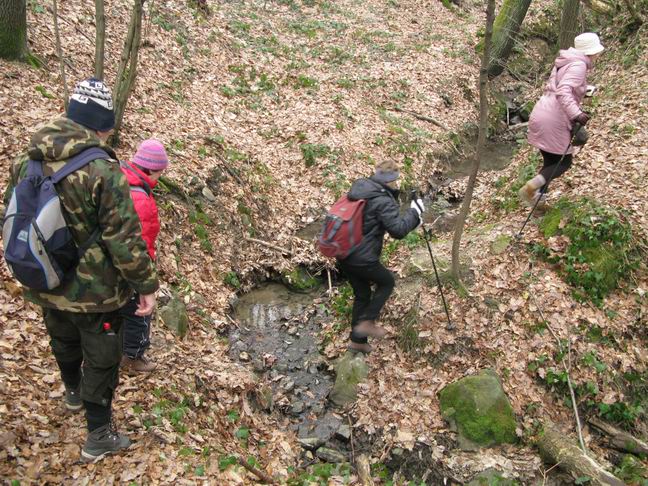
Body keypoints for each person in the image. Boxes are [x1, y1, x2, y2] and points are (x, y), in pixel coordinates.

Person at [3, 78, 159, 462]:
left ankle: (72, 392)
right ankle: (99, 434)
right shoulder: (103, 170)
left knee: (62, 338)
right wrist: (145, 285)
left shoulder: (27, 160)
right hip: (95, 291)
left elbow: (13, 214)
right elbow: (124, 238)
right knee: (103, 355)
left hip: (44, 275)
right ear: (100, 125)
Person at [337, 160, 424, 354]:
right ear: (392, 180)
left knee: (362, 294)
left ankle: (357, 341)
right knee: (387, 282)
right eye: (396, 180)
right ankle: (367, 322)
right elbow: (398, 231)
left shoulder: (361, 189)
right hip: (362, 258)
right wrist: (414, 212)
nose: (397, 184)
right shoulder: (383, 199)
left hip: (343, 253)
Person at [520, 32, 605, 206]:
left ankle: (539, 203)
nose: (598, 55)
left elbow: (558, 86)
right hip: (555, 118)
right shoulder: (579, 65)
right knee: (563, 163)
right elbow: (563, 92)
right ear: (591, 51)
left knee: (551, 162)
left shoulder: (565, 61)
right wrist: (577, 114)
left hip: (542, 111)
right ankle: (530, 188)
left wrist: (583, 90)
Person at [119, 139, 169, 373]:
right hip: (129, 264)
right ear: (151, 169)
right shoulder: (139, 197)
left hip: (106, 263)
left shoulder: (119, 178)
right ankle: (133, 357)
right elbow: (141, 241)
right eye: (160, 172)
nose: (160, 177)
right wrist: (144, 281)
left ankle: (115, 351)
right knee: (139, 310)